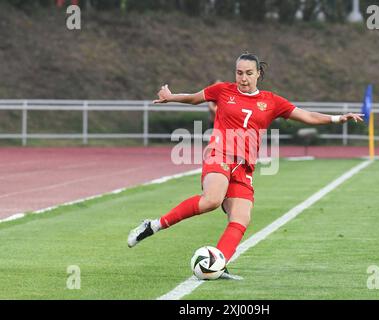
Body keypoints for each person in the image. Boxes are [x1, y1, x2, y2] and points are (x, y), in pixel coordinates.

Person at [127, 53, 364, 268]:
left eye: (249, 73)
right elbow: (193, 98)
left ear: (258, 73)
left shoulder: (272, 101)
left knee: (241, 219)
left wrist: (336, 119)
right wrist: (170, 97)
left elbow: (307, 116)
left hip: (245, 165)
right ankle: (154, 224)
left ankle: (215, 265)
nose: (243, 78)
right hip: (219, 153)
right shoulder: (222, 90)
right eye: (239, 73)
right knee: (211, 200)